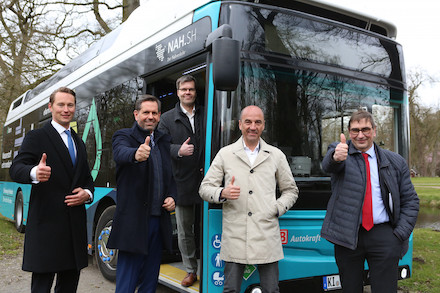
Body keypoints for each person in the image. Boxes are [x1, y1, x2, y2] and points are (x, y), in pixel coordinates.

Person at [199, 105, 299, 293]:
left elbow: (291, 191)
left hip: (266, 235)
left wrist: (277, 208)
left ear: (263, 126)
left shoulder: (276, 155)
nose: (252, 126)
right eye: (248, 122)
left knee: (271, 290)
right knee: (231, 290)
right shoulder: (225, 154)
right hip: (235, 236)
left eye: (257, 122)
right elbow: (204, 189)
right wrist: (222, 193)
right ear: (240, 125)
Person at [321, 110, 419, 293]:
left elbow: (411, 201)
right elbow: (329, 164)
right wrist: (336, 157)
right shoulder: (340, 152)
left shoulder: (395, 162)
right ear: (349, 133)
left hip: (384, 235)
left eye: (365, 129)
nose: (360, 135)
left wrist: (398, 235)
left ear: (374, 130)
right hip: (348, 237)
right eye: (355, 130)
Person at [9, 87, 94, 293]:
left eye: (70, 105)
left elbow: (87, 180)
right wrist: (34, 172)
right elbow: (16, 168)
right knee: (42, 287)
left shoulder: (79, 142)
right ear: (50, 107)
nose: (66, 109)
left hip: (74, 229)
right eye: (61, 105)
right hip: (47, 227)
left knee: (68, 287)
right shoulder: (37, 136)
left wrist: (87, 194)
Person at [107, 94, 176, 293]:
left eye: (154, 113)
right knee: (127, 282)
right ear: (136, 114)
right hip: (134, 222)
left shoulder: (163, 140)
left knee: (150, 280)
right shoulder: (123, 136)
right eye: (146, 112)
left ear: (160, 115)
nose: (150, 116)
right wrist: (136, 155)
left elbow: (169, 177)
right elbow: (120, 154)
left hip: (158, 220)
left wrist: (172, 196)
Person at [157, 75, 204, 287]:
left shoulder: (207, 112)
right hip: (181, 182)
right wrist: (179, 150)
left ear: (195, 92)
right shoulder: (166, 119)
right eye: (184, 89)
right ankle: (190, 270)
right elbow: (159, 146)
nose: (188, 92)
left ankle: (207, 268)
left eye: (191, 89)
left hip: (207, 181)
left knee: (205, 227)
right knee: (185, 231)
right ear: (178, 92)